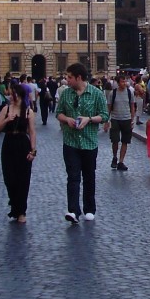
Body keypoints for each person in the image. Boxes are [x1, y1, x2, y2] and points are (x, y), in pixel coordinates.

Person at [56, 63, 107, 224]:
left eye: (69, 77)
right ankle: (73, 210)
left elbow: (104, 115)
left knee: (89, 176)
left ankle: (90, 209)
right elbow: (59, 113)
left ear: (79, 77)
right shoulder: (66, 94)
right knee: (73, 176)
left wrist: (89, 119)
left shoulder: (96, 94)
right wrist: (67, 119)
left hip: (89, 142)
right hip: (70, 142)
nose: (67, 80)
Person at [0, 82, 37, 224]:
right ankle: (14, 205)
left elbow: (32, 132)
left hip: (22, 144)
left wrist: (33, 151)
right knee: (9, 178)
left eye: (12, 93)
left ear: (18, 95)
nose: (9, 95)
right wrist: (7, 119)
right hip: (8, 143)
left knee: (23, 179)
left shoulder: (28, 111)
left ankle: (21, 211)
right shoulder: (6, 109)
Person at [105, 74, 136, 171]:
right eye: (122, 81)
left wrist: (132, 118)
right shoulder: (112, 93)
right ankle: (115, 157)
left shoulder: (129, 92)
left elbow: (132, 106)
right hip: (115, 119)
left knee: (125, 141)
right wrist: (106, 120)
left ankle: (121, 161)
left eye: (125, 81)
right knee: (115, 140)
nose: (125, 83)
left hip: (126, 119)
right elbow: (109, 107)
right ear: (118, 83)